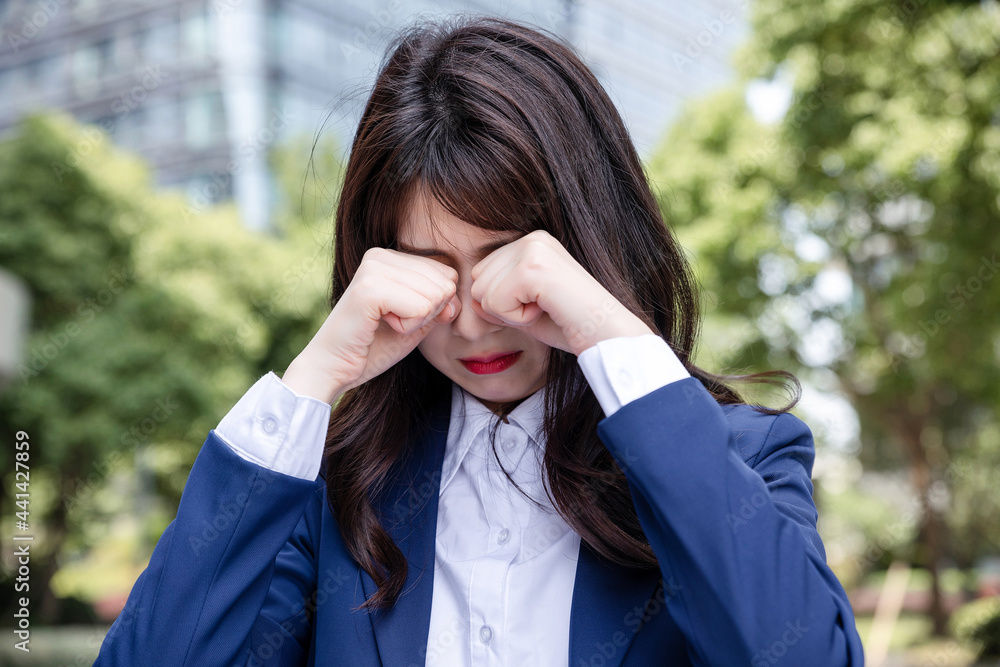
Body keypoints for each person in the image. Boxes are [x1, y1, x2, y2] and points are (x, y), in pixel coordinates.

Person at [94, 13, 865, 667]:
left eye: (510, 265)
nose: (471, 319)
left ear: (586, 244)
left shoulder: (739, 457)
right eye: (429, 272)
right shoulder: (334, 494)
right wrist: (313, 379)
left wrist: (613, 336)